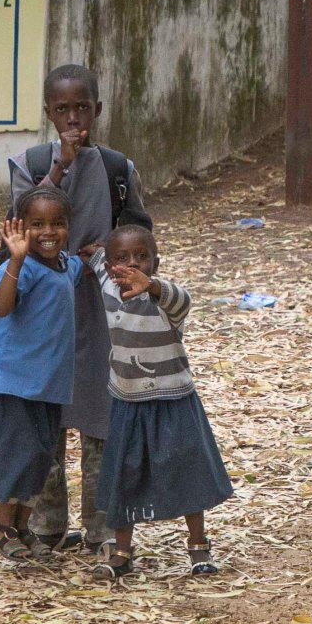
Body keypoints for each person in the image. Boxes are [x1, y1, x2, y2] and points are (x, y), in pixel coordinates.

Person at [7, 63, 151, 553]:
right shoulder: (30, 162)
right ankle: (46, 527)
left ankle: (102, 528)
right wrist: (62, 165)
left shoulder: (117, 169)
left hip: (100, 311)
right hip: (44, 313)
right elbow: (22, 221)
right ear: (48, 113)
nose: (74, 118)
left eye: (82, 108)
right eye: (63, 109)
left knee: (100, 418)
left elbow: (143, 240)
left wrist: (112, 258)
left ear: (98, 110)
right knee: (45, 415)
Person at [87, 224, 233, 579]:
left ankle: (198, 547)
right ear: (110, 266)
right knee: (124, 474)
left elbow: (183, 297)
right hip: (127, 401)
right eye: (121, 258)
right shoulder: (107, 284)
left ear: (156, 261)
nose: (132, 264)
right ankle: (122, 552)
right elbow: (96, 261)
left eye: (142, 257)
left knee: (186, 470)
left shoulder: (165, 301)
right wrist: (92, 255)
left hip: (173, 401)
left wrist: (151, 285)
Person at [0, 187, 85, 563]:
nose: (48, 232)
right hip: (10, 381)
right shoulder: (21, 267)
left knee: (41, 458)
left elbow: (81, 264)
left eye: (57, 224)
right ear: (19, 228)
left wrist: (96, 255)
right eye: (37, 224)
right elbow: (2, 307)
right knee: (17, 455)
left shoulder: (65, 265)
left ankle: (23, 526)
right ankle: (0, 525)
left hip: (47, 384)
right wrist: (14, 260)